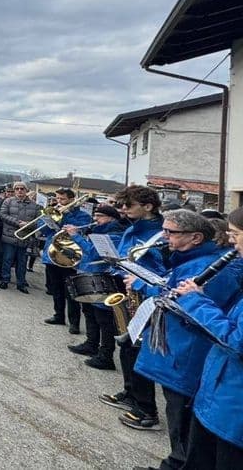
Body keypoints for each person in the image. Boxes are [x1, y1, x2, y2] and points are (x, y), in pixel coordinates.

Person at [128, 209, 240, 468]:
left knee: (182, 417)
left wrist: (146, 286)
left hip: (190, 353)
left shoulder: (213, 267)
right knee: (179, 413)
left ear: (196, 238)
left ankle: (175, 463)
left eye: (171, 232)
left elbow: (218, 323)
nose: (164, 236)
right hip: (183, 352)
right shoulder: (190, 259)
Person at [171, 207, 243, 469]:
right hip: (218, 396)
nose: (230, 240)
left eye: (235, 234)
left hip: (233, 408)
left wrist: (196, 300)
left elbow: (238, 341)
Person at [98, 185, 166, 431]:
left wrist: (139, 281)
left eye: (129, 206)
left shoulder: (159, 234)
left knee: (139, 350)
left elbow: (163, 272)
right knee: (127, 345)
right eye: (122, 205)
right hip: (130, 290)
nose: (123, 210)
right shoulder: (134, 228)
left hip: (147, 297)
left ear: (148, 207)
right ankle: (130, 393)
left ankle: (147, 409)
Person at [64, 204, 126, 370]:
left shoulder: (114, 234)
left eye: (100, 216)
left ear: (111, 218)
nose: (95, 219)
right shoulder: (99, 231)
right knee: (89, 313)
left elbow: (93, 253)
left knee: (104, 319)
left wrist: (76, 236)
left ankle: (106, 355)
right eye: (95, 216)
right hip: (89, 275)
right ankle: (91, 344)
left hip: (102, 280)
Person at [41, 188, 92, 333]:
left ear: (71, 199)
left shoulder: (83, 216)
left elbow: (81, 231)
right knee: (56, 289)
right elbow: (44, 230)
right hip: (52, 255)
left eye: (62, 199)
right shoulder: (52, 211)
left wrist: (67, 215)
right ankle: (58, 315)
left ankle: (74, 322)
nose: (59, 202)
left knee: (71, 291)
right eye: (57, 199)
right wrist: (50, 219)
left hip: (70, 257)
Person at [0, 182, 41, 293]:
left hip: (24, 238)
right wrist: (17, 223)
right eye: (17, 189)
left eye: (22, 188)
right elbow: (2, 215)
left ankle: (21, 283)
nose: (19, 190)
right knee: (7, 259)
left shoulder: (35, 205)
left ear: (26, 190)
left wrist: (28, 224)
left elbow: (39, 221)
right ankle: (5, 280)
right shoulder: (8, 201)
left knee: (22, 262)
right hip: (10, 235)